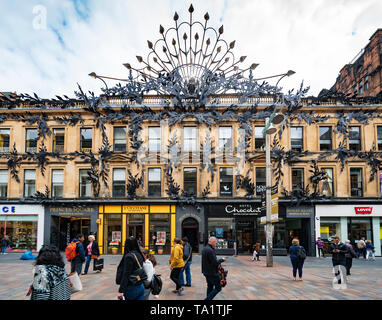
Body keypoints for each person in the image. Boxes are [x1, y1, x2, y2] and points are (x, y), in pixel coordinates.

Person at [117, 236, 146, 300]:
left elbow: (126, 274)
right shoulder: (139, 254)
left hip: (131, 287)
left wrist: (121, 290)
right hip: (140, 285)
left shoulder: (129, 256)